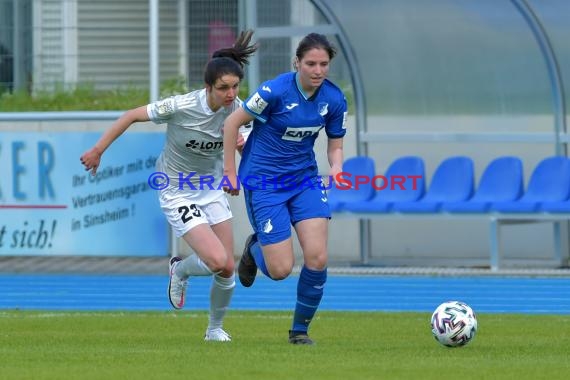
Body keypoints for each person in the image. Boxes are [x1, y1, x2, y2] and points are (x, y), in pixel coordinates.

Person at [80, 30, 258, 342]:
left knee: (227, 268)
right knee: (217, 261)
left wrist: (249, 162)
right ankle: (181, 270)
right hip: (177, 191)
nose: (230, 94)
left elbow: (242, 143)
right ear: (208, 88)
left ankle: (214, 330)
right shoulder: (181, 105)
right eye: (223, 88)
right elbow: (131, 116)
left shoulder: (238, 110)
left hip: (212, 188)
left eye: (234, 87)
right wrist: (98, 150)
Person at [222, 33, 347, 345]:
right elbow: (231, 124)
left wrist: (337, 167)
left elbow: (335, 145)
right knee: (279, 270)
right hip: (264, 183)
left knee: (317, 259)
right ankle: (254, 249)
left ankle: (299, 331)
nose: (318, 70)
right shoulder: (274, 91)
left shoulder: (333, 99)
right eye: (311, 64)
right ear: (297, 63)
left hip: (304, 181)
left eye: (324, 64)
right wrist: (230, 172)